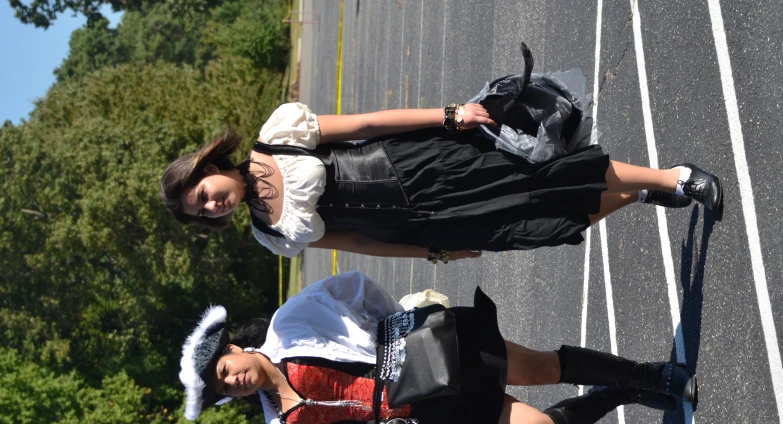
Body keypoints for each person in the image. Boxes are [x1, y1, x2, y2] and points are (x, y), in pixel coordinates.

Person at [160, 44, 723, 262]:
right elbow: (353, 241)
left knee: (543, 172)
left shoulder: (278, 133)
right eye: (202, 213)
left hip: (421, 164)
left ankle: (674, 177)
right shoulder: (269, 234)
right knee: (539, 226)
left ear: (210, 170)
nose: (212, 207)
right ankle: (641, 194)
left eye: (204, 195)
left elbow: (367, 122)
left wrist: (450, 114)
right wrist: (427, 254)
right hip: (425, 223)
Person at [178, 271, 697, 424]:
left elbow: (354, 288)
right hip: (429, 414)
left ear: (237, 347)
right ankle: (623, 392)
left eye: (226, 368)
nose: (234, 379)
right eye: (224, 386)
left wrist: (398, 323)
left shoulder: (291, 325)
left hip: (433, 353)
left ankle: (651, 375)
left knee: (542, 368)